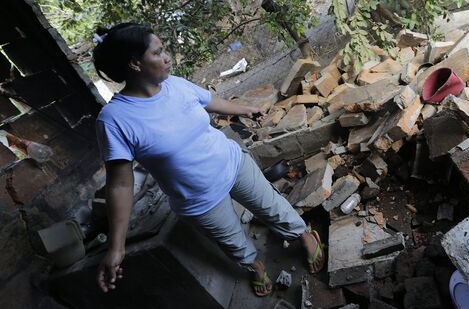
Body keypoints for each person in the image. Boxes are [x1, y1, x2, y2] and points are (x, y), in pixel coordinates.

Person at [93, 23, 323, 297]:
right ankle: (256, 266)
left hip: (232, 164)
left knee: (273, 207)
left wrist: (245, 109)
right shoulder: (115, 120)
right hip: (197, 199)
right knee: (234, 242)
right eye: (158, 52)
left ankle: (303, 236)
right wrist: (116, 247)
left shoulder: (174, 84)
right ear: (135, 63)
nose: (167, 58)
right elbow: (119, 185)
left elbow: (208, 100)